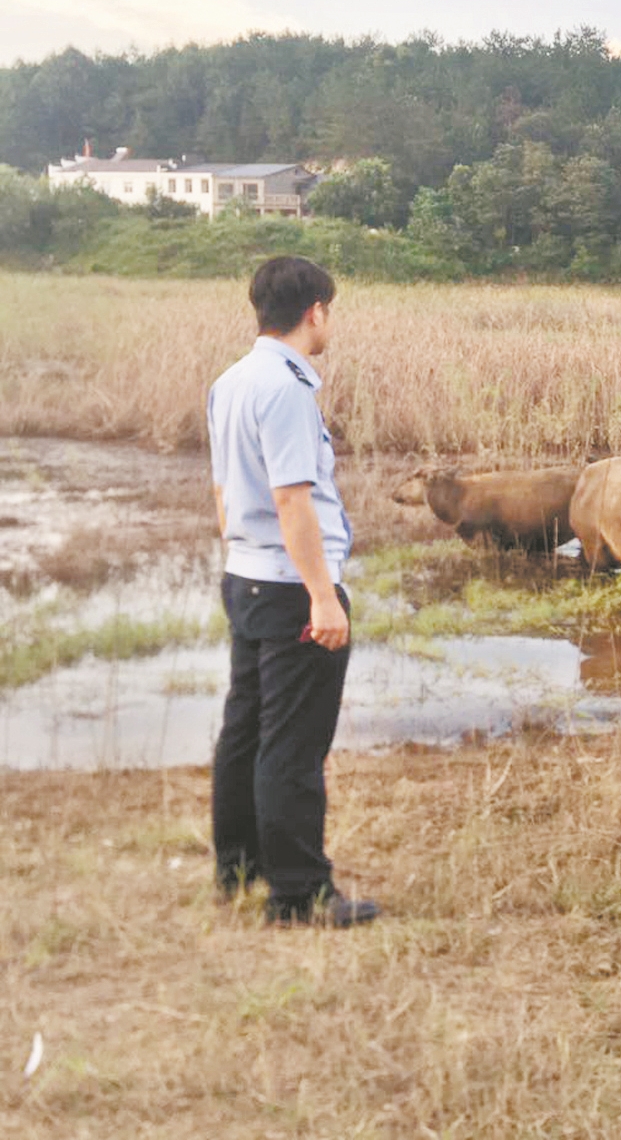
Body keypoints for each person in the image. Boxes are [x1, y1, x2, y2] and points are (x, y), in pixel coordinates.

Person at [207, 256, 379, 927]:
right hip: (288, 588)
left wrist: (243, 554)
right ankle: (299, 892)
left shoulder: (230, 381)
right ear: (316, 311)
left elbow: (225, 493)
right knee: (293, 745)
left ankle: (239, 869)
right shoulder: (284, 387)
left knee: (245, 730)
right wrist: (322, 595)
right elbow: (291, 500)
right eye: (329, 310)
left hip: (245, 576)